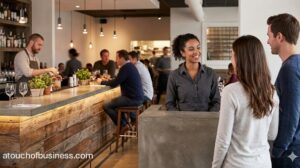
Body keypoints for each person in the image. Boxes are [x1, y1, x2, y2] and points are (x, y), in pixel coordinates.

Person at [212, 35, 279, 168]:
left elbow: (223, 140)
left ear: (240, 59)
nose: (231, 60)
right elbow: (272, 134)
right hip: (263, 163)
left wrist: (215, 166)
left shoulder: (230, 92)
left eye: (232, 55)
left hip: (236, 164)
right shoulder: (272, 92)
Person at [266, 13, 300, 168]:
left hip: (291, 151)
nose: (267, 41)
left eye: (269, 36)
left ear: (279, 37)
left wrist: (277, 149)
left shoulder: (290, 69)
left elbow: (291, 114)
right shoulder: (296, 64)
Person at [166, 34, 220, 111]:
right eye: (191, 49)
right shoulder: (174, 75)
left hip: (207, 121)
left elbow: (217, 101)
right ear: (182, 52)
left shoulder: (211, 73)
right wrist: (179, 119)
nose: (196, 52)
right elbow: (170, 103)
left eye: (198, 48)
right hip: (182, 121)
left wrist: (208, 117)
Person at [97, 50, 144, 133]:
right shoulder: (130, 66)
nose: (116, 60)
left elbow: (115, 83)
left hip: (132, 98)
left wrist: (101, 82)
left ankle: (123, 125)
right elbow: (118, 80)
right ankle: (124, 124)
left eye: (117, 58)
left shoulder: (125, 67)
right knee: (116, 103)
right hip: (137, 97)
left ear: (122, 58)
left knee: (107, 106)